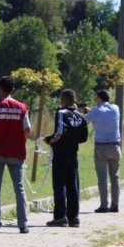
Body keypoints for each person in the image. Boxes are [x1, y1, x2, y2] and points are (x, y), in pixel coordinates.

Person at [0, 76, 31, 234]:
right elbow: (27, 130)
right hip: (16, 152)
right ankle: (23, 224)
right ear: (13, 90)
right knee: (19, 188)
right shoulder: (22, 107)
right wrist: (17, 140)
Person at [44, 89, 88, 228]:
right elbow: (84, 137)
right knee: (73, 186)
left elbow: (60, 132)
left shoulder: (61, 112)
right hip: (73, 154)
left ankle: (60, 217)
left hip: (61, 154)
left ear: (63, 100)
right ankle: (74, 217)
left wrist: (50, 140)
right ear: (74, 100)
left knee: (60, 185)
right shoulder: (81, 116)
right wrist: (72, 141)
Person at [82, 89, 121, 213]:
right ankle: (115, 205)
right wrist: (92, 111)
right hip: (115, 146)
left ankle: (104, 205)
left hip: (101, 147)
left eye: (96, 98)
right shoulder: (115, 108)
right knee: (115, 177)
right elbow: (101, 114)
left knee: (102, 178)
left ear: (99, 98)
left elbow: (84, 120)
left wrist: (89, 111)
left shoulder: (96, 111)